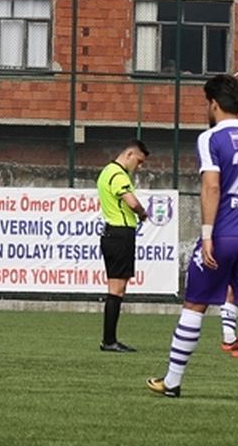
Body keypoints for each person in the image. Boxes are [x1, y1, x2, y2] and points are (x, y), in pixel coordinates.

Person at [147, 75, 238, 403]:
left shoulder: (210, 138)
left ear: (213, 104)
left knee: (194, 304)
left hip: (223, 233)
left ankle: (173, 380)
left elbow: (211, 186)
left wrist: (208, 235)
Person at [97, 140, 151, 352]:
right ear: (129, 154)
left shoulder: (107, 172)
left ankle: (109, 339)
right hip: (120, 234)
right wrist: (142, 213)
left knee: (117, 288)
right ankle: (109, 340)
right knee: (117, 289)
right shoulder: (118, 174)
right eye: (139, 161)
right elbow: (131, 201)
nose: (139, 167)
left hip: (113, 234)